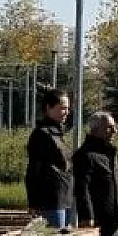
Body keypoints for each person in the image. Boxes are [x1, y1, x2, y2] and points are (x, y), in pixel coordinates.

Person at [73, 111, 118, 236]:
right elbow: (82, 188)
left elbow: (114, 186)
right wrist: (86, 216)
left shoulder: (109, 154)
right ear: (95, 130)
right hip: (97, 220)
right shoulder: (86, 155)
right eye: (109, 127)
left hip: (112, 219)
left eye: (114, 127)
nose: (114, 131)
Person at [24, 87, 73, 228]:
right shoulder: (41, 134)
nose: (66, 113)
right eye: (62, 108)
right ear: (48, 108)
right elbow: (33, 169)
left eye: (67, 108)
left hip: (66, 196)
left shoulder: (59, 134)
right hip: (51, 199)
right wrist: (33, 202)